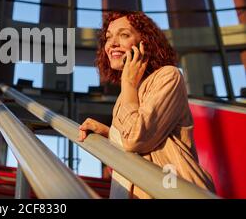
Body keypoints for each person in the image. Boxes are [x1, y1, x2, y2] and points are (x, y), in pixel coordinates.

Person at [78, 11, 216, 199]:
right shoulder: (127, 94)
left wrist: (128, 84)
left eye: (124, 35)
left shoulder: (169, 76)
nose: (112, 44)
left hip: (174, 190)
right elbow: (132, 141)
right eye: (108, 38)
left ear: (145, 43)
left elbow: (137, 139)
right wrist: (109, 133)